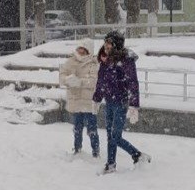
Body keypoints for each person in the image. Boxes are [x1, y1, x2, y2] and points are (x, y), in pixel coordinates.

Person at [93, 31, 151, 174]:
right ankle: (111, 164)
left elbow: (132, 83)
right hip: (109, 101)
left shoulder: (125, 60)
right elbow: (101, 81)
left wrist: (134, 105)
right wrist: (97, 99)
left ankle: (137, 155)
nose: (106, 45)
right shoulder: (105, 60)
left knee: (115, 136)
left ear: (116, 45)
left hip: (121, 102)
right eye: (105, 42)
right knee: (109, 135)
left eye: (109, 43)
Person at [59, 39, 100, 158]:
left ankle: (95, 151)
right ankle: (77, 149)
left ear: (89, 51)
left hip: (88, 102)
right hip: (76, 100)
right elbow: (62, 75)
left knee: (92, 128)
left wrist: (79, 82)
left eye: (84, 49)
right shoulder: (70, 61)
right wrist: (67, 80)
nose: (81, 51)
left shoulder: (94, 63)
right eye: (79, 48)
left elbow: (93, 81)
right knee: (77, 127)